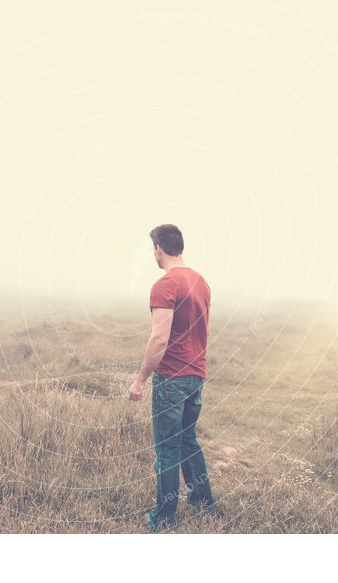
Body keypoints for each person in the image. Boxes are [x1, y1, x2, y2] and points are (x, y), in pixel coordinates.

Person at [128, 224, 216, 532]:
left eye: (153, 248)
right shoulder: (201, 282)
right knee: (188, 440)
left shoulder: (165, 285)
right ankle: (204, 501)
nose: (154, 253)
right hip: (197, 375)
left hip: (172, 378)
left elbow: (159, 340)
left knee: (167, 449)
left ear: (159, 249)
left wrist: (140, 379)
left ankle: (163, 519)